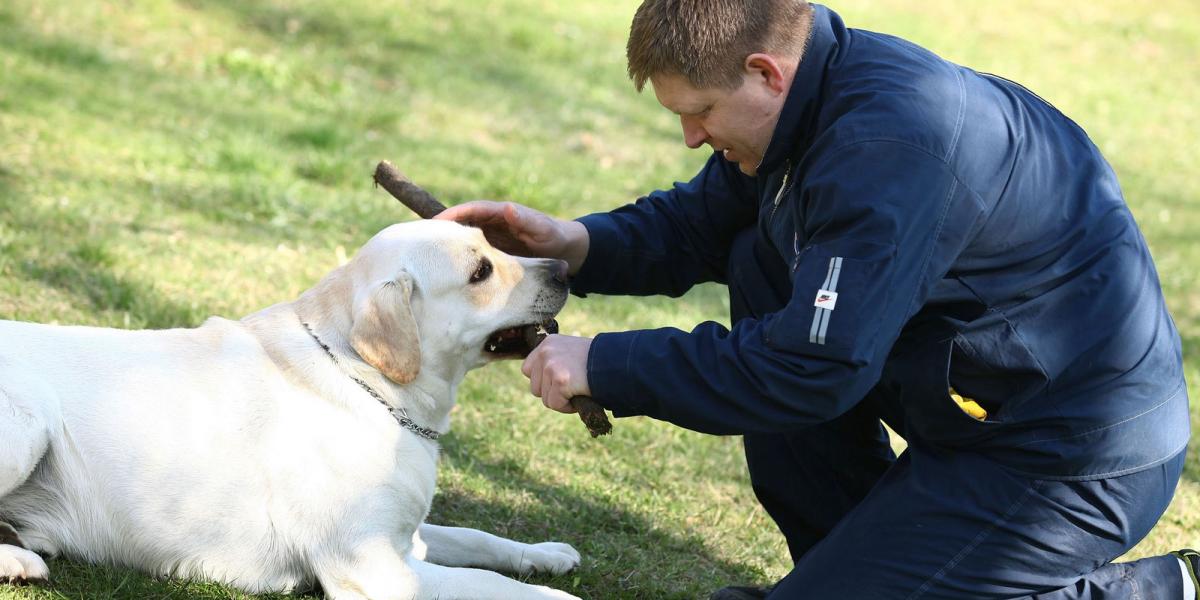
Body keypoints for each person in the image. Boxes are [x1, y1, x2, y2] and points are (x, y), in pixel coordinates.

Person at [436, 1, 1197, 597]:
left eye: (698, 111)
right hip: (972, 404)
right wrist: (571, 243)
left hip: (1066, 453)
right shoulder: (810, 101)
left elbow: (811, 366)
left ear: (766, 72)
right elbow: (704, 222)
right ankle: (852, 562)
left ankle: (1162, 588)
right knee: (757, 254)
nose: (691, 137)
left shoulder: (891, 149)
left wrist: (607, 363)